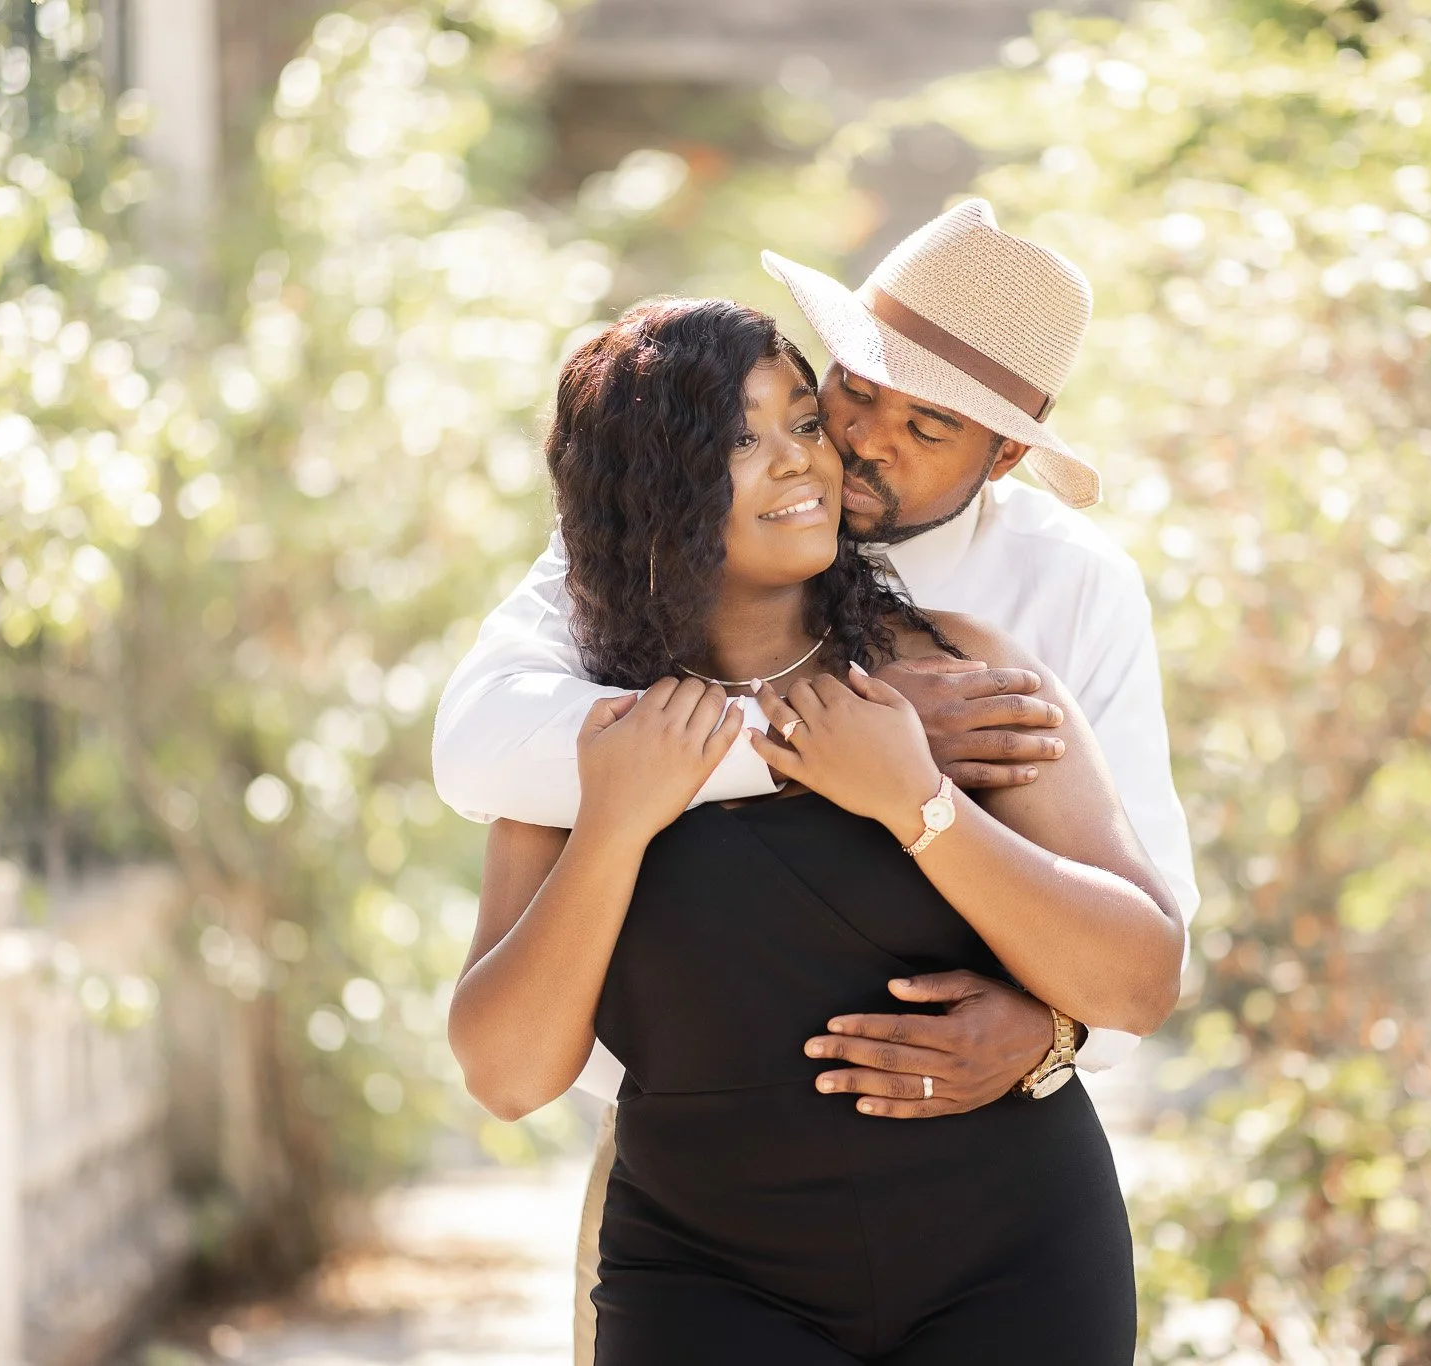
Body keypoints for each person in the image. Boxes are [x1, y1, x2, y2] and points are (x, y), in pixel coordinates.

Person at [434, 200, 1200, 1358]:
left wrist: (1036, 1008)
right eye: (843, 394)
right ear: (662, 481)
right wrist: (667, 784)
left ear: (1002, 455)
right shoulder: (599, 668)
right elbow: (502, 1052)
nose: (837, 449)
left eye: (922, 423)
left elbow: (1142, 964)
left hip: (1004, 1229)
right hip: (705, 1247)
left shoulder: (1006, 633)